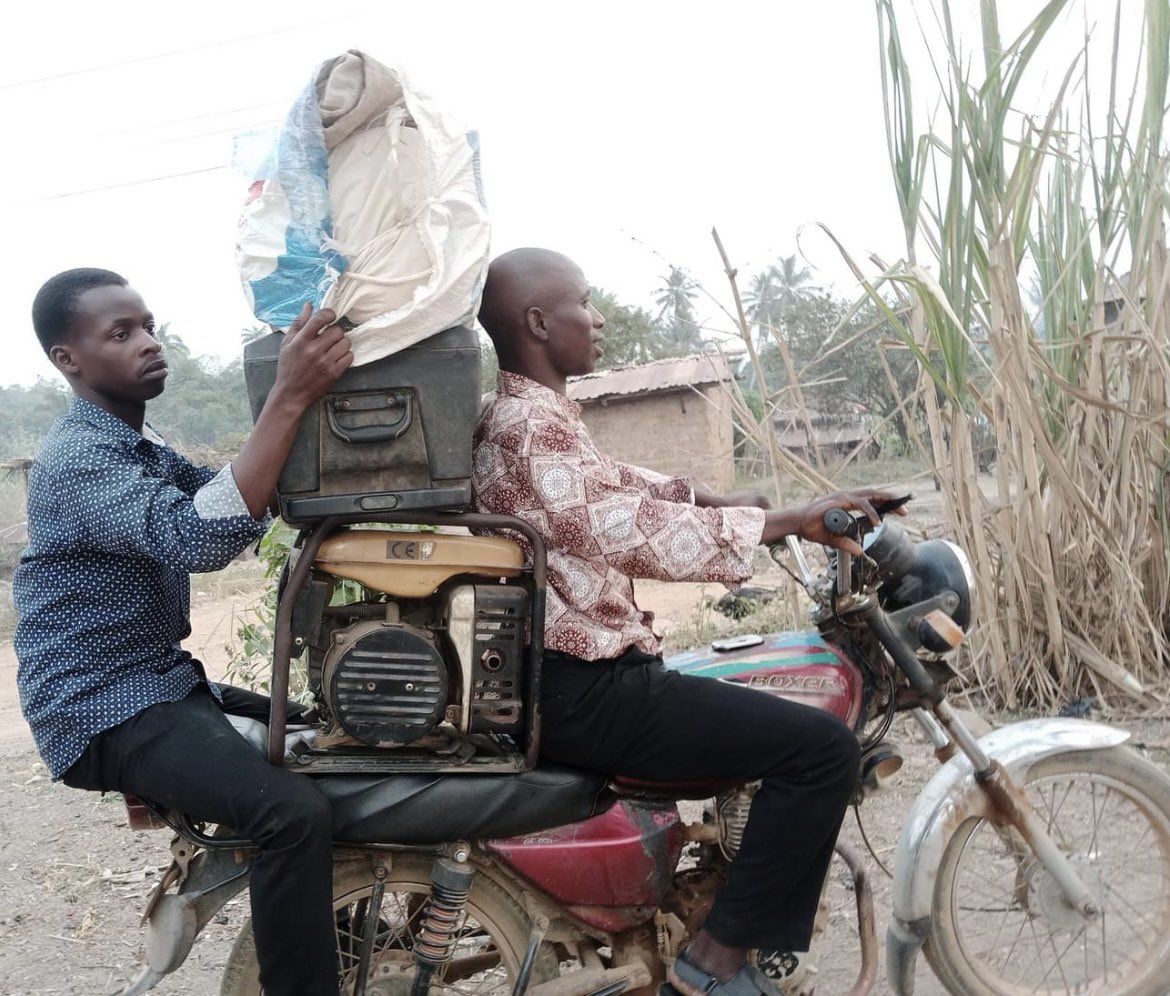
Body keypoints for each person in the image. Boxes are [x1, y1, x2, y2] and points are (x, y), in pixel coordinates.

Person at [472, 248, 905, 996]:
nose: (599, 316)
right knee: (821, 752)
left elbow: (631, 486)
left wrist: (756, 508)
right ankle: (713, 966)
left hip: (584, 679)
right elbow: (621, 527)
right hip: (587, 689)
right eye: (584, 300)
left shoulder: (539, 418)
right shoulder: (524, 427)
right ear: (540, 322)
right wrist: (778, 526)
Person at [13, 268, 353, 996]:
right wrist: (288, 395)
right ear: (66, 359)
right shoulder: (79, 459)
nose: (148, 343)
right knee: (290, 813)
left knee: (339, 744)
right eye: (120, 333)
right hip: (101, 704)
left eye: (149, 326)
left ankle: (354, 944)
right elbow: (198, 536)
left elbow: (223, 493)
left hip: (156, 681)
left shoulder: (137, 442)